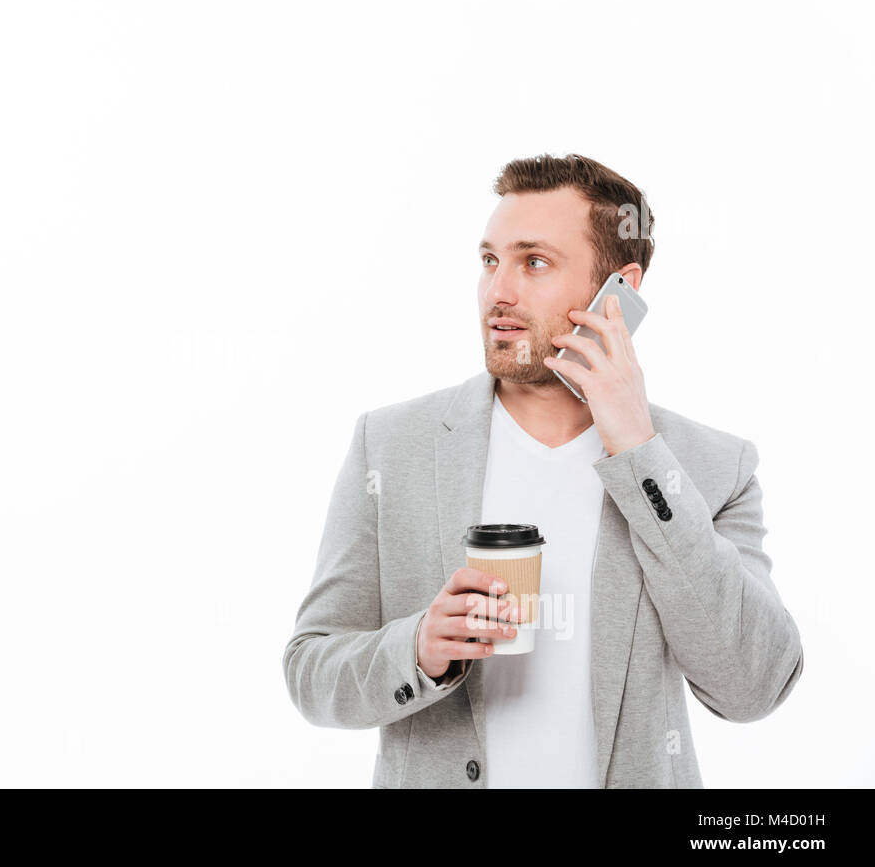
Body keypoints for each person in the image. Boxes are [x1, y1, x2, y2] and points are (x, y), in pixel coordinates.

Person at [281, 153, 804, 788]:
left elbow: (754, 685)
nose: (499, 290)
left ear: (621, 292)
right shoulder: (389, 446)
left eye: (534, 262)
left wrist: (637, 448)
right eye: (489, 260)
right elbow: (311, 672)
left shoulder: (711, 467)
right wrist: (419, 649)